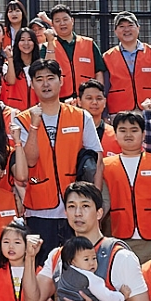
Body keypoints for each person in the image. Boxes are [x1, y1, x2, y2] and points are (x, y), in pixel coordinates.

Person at [20, 58, 102, 260]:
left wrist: (96, 200)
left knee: (78, 268)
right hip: (38, 210)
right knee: (42, 270)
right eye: (39, 79)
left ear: (61, 81)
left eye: (50, 78)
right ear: (32, 84)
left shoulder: (82, 116)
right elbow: (29, 161)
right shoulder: (21, 119)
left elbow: (97, 159)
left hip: (76, 210)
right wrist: (34, 126)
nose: (45, 84)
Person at [99, 112, 151, 261]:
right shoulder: (106, 165)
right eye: (122, 130)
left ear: (143, 134)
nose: (128, 135)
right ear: (115, 134)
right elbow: (104, 202)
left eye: (134, 130)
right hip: (121, 236)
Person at [100, 12, 151, 115]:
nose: (126, 30)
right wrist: (104, 114)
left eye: (130, 25)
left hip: (150, 109)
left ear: (138, 28)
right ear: (115, 31)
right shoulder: (107, 57)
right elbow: (104, 88)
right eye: (121, 26)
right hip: (119, 112)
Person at [43, 3, 99, 100]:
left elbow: (99, 72)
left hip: (86, 99)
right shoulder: (46, 47)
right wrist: (50, 43)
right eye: (57, 21)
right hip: (59, 99)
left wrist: (97, 93)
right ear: (52, 24)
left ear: (72, 20)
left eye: (65, 19)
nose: (62, 23)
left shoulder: (89, 43)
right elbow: (46, 71)